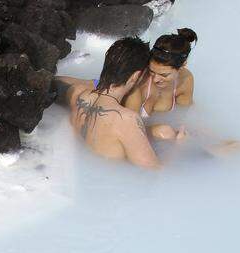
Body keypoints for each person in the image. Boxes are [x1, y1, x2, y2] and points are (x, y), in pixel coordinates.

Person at [55, 37, 168, 169]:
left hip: (85, 171)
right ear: (135, 76)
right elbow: (156, 171)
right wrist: (177, 147)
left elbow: (55, 82)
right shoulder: (126, 120)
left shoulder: (78, 95)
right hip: (112, 183)